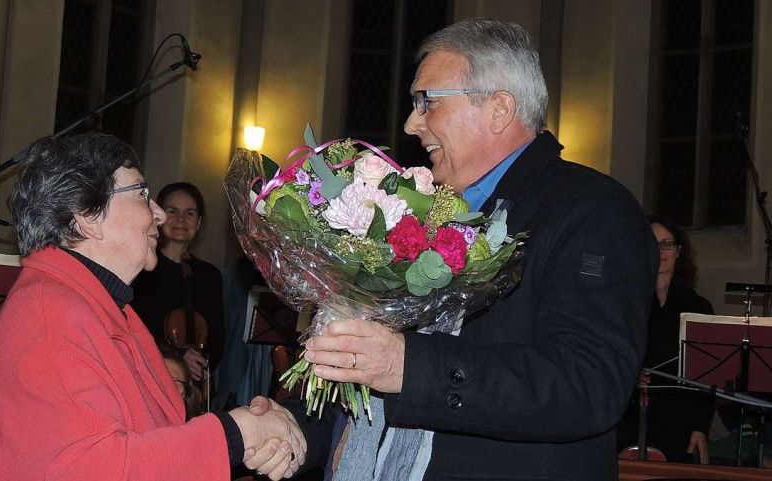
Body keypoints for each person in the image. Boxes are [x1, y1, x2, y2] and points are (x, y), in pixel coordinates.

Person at [301, 19, 659, 479]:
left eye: (426, 102)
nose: (412, 123)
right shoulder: (418, 211)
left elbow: (587, 385)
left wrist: (410, 366)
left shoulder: (592, 209)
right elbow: (365, 379)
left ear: (499, 109)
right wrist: (296, 426)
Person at [0, 133, 305, 481]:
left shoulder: (99, 304)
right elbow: (92, 470)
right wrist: (234, 435)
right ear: (87, 217)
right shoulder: (51, 314)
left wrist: (247, 431)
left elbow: (149, 433)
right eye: (141, 193)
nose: (157, 214)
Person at [617, 216, 715, 463]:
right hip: (627, 414)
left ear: (679, 251)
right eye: (652, 243)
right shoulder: (624, 301)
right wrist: (631, 372)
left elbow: (705, 377)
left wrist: (700, 426)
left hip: (677, 418)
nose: (661, 251)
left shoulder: (697, 306)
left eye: (667, 244)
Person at [132, 182, 225, 387]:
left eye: (189, 213)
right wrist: (177, 358)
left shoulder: (210, 276)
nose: (181, 219)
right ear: (158, 217)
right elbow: (135, 331)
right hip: (150, 378)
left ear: (199, 222)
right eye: (172, 211)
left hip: (196, 385)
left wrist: (203, 366)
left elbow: (217, 338)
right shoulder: (140, 269)